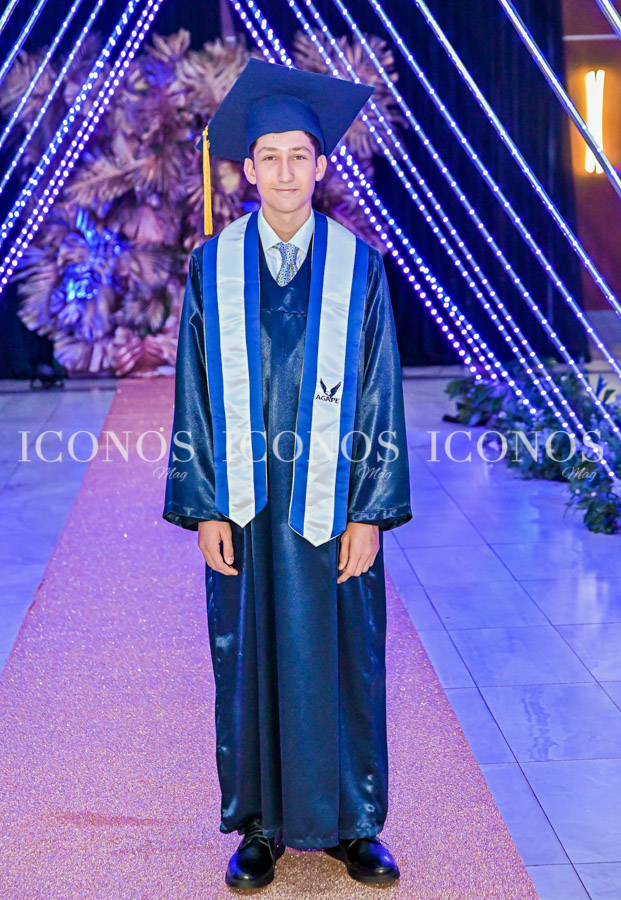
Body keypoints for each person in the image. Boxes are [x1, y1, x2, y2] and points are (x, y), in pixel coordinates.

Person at [162, 57, 412, 890]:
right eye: (268, 157)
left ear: (320, 165)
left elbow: (378, 395)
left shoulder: (358, 267)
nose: (283, 173)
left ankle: (353, 822)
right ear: (246, 169)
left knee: (345, 654)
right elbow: (194, 389)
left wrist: (369, 512)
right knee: (249, 657)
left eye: (297, 156)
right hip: (246, 501)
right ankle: (259, 827)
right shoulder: (212, 266)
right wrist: (204, 504)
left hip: (333, 505)